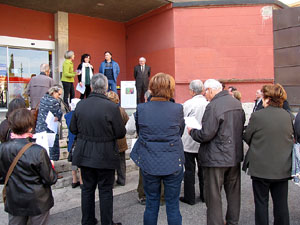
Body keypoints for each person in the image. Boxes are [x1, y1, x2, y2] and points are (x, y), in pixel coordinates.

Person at [70, 73, 126, 225]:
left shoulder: (81, 105)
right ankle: (106, 222)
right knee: (106, 191)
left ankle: (87, 221)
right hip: (105, 154)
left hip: (85, 153)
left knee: (87, 190)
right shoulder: (112, 107)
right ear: (106, 87)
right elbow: (120, 132)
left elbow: (73, 128)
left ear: (92, 87)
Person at [188, 79, 245, 225]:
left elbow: (206, 134)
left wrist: (192, 131)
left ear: (211, 90)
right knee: (233, 194)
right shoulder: (237, 104)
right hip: (234, 155)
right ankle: (232, 221)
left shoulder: (213, 106)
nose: (205, 94)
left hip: (216, 157)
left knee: (213, 196)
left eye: (205, 91)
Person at [131, 73, 185, 225]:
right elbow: (179, 132)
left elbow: (139, 131)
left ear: (152, 88)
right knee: (173, 206)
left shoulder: (142, 108)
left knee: (151, 204)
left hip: (149, 161)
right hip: (173, 160)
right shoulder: (177, 108)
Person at [243, 84, 294, 225]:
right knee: (281, 204)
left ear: (267, 99)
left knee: (261, 203)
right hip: (282, 167)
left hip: (260, 167)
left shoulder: (257, 116)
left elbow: (247, 136)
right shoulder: (288, 116)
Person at [0, 108, 57, 225]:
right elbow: (50, 179)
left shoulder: (3, 149)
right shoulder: (37, 151)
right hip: (37, 201)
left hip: (15, 199)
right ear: (30, 127)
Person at [180, 80, 208, 205]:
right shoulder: (208, 103)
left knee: (189, 170)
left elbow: (182, 120)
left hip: (189, 140)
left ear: (191, 91)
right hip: (203, 140)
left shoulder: (187, 104)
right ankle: (205, 195)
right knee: (203, 170)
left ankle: (189, 197)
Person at [107, 91, 129, 186]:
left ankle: (111, 182)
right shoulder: (121, 110)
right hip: (121, 140)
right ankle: (122, 179)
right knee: (121, 162)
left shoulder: (105, 110)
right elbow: (127, 122)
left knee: (110, 162)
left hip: (109, 140)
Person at [35, 85, 63, 161]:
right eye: (59, 94)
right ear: (54, 92)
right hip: (50, 130)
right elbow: (59, 114)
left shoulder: (43, 98)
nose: (59, 96)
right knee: (50, 152)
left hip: (40, 128)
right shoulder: (54, 102)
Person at [64, 98, 82, 188]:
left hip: (71, 140)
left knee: (73, 161)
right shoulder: (80, 115)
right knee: (80, 161)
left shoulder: (67, 116)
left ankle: (74, 180)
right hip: (78, 139)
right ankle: (82, 181)